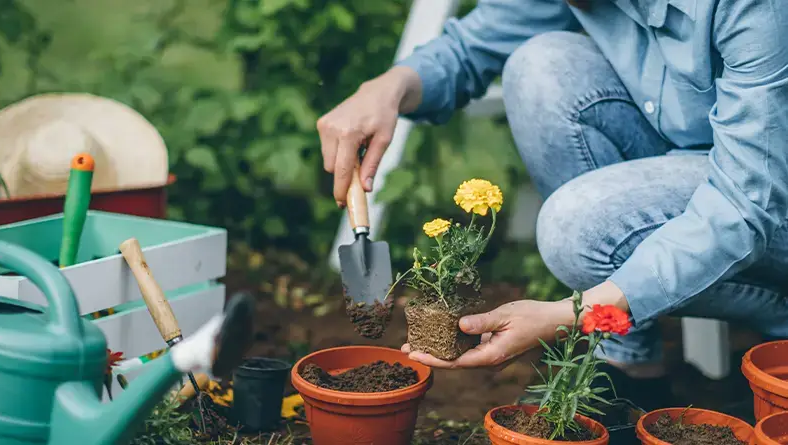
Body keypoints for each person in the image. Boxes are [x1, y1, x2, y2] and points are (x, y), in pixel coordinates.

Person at [317, 0, 788, 410]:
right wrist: (389, 87)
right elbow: (477, 43)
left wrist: (573, 315)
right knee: (540, 65)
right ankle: (628, 371)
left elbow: (747, 202)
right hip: (694, 159)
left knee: (576, 229)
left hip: (764, 191)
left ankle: (778, 312)